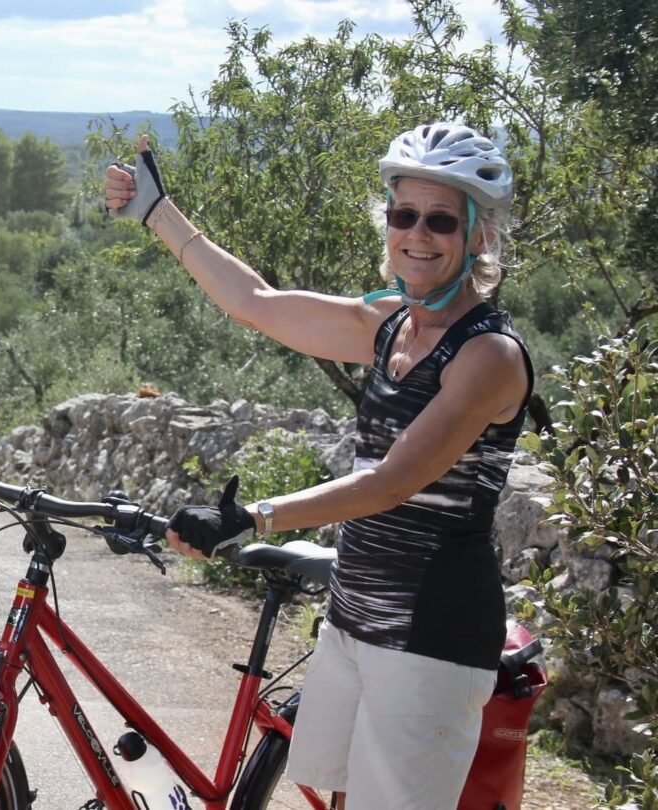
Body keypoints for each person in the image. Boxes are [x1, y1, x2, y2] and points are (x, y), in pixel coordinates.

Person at [105, 123, 533, 810]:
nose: (417, 234)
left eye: (441, 220)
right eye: (403, 214)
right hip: (354, 615)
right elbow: (257, 304)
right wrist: (158, 212)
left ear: (479, 233)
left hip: (432, 637)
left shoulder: (488, 355)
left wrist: (252, 517)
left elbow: (390, 483)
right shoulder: (392, 324)